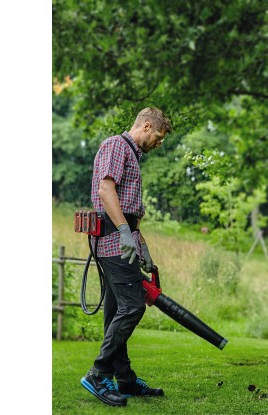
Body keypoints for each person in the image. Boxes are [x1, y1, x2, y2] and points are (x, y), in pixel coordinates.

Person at [81, 107, 172, 407]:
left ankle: (125, 379)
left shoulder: (132, 154)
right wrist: (122, 232)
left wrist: (139, 243)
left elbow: (130, 210)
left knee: (115, 312)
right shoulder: (116, 145)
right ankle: (98, 374)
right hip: (113, 243)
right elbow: (106, 190)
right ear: (146, 126)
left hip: (124, 242)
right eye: (158, 136)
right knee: (132, 306)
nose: (159, 143)